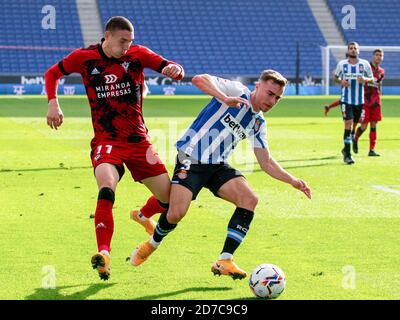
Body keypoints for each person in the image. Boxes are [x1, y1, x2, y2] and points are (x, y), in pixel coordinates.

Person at [129, 70, 312, 280]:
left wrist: (294, 181)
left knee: (249, 199)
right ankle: (151, 244)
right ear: (258, 86)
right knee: (176, 212)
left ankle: (225, 260)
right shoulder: (237, 91)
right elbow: (198, 79)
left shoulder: (258, 122)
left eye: (277, 97)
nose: (273, 101)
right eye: (270, 93)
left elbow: (266, 162)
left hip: (217, 165)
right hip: (192, 158)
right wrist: (224, 98)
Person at [44, 16, 184, 281]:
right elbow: (52, 73)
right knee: (107, 186)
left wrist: (174, 69)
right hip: (107, 141)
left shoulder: (138, 54)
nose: (126, 47)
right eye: (122, 41)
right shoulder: (84, 58)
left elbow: (167, 64)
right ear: (107, 36)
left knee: (171, 204)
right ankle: (104, 254)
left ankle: (142, 214)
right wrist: (53, 103)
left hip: (138, 142)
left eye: (130, 42)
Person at [334, 42, 373, 164]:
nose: (353, 50)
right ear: (348, 51)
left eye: (355, 48)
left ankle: (345, 149)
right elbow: (335, 77)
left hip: (359, 101)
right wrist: (341, 81)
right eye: (351, 48)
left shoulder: (364, 64)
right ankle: (348, 155)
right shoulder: (342, 64)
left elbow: (371, 78)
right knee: (348, 124)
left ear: (358, 50)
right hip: (346, 100)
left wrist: (365, 79)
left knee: (353, 126)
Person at [353, 49, 385, 156]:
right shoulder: (366, 68)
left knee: (374, 125)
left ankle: (371, 150)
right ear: (373, 56)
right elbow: (360, 79)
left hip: (376, 102)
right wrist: (367, 80)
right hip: (365, 101)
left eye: (380, 55)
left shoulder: (381, 71)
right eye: (377, 55)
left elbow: (379, 85)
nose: (379, 57)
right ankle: (355, 139)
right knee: (364, 125)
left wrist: (380, 97)